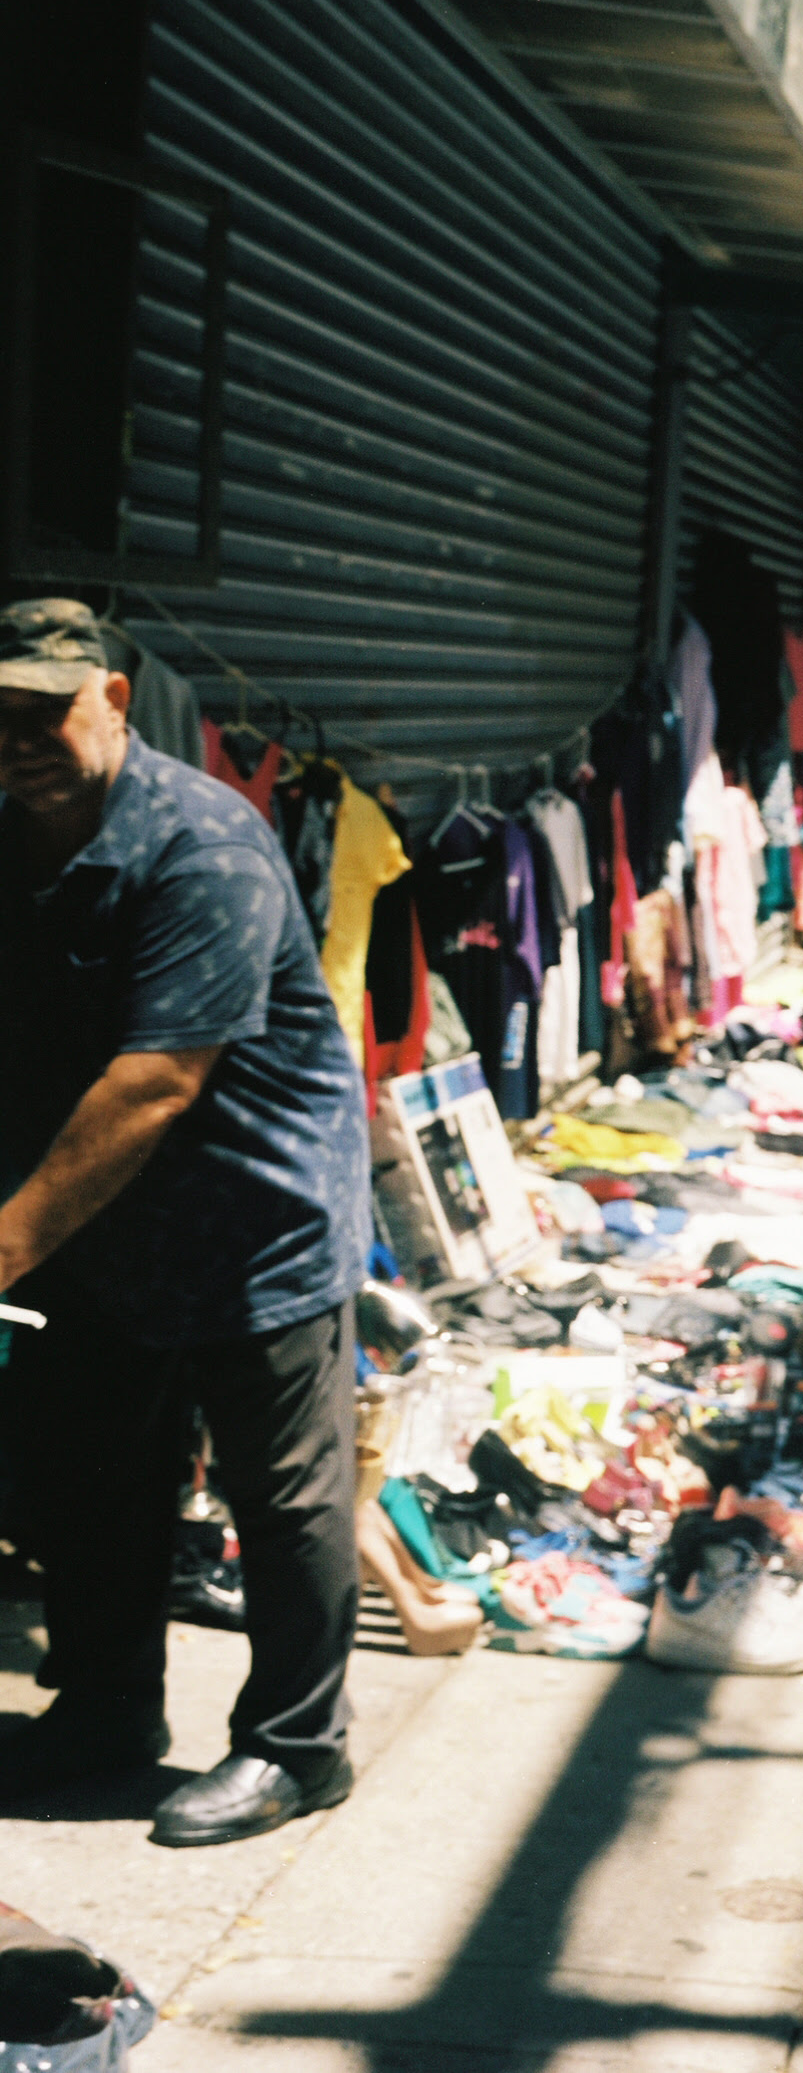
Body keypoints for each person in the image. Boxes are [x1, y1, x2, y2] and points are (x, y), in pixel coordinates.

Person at [0, 600, 372, 1846]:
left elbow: (156, 1078)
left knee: (284, 1497)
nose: (20, 739)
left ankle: (296, 1747)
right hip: (97, 1227)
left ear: (110, 697)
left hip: (253, 1216)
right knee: (97, 1475)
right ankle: (107, 1708)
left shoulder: (202, 843)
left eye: (45, 710)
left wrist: (3, 1240)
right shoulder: (11, 836)